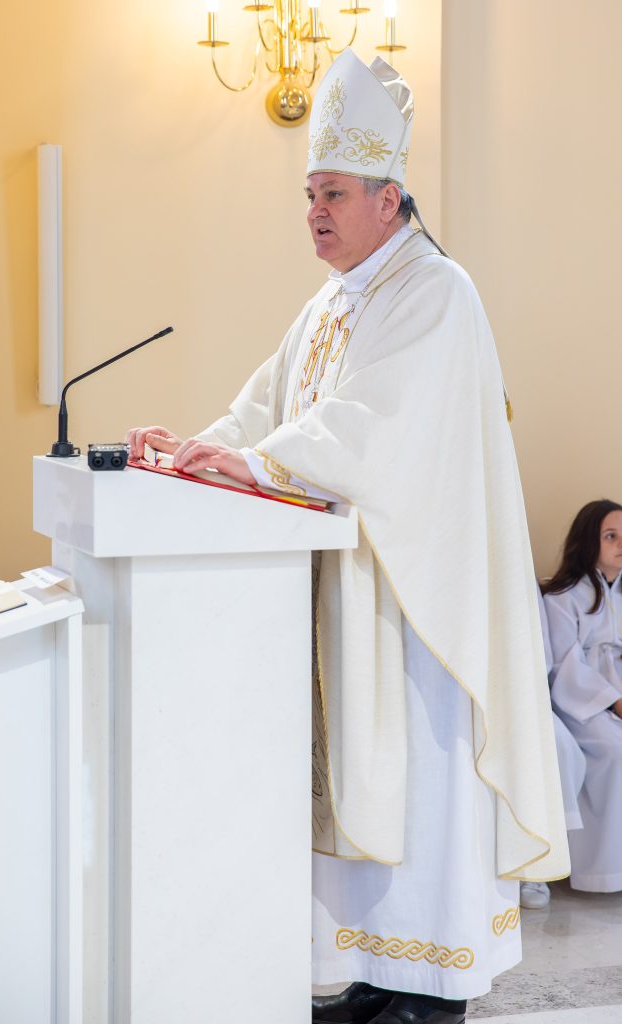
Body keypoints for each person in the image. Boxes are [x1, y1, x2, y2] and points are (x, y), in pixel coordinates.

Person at [126, 50, 569, 1024]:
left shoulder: (434, 291)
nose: (314, 212)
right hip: (353, 591)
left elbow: (371, 426)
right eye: (308, 194)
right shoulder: (330, 302)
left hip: (418, 605)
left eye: (331, 193)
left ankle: (430, 988)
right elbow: (265, 408)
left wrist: (254, 461)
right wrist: (195, 450)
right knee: (361, 787)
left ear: (387, 198)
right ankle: (372, 973)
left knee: (420, 787)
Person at [543, 499, 622, 894]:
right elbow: (566, 665)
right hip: (583, 707)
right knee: (614, 750)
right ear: (589, 540)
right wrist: (614, 701)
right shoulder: (562, 596)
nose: (620, 544)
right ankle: (601, 871)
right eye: (610, 536)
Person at [520, 588, 586, 910]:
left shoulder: (519, 572)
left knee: (559, 745)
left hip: (519, 690)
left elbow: (542, 654)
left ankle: (537, 864)